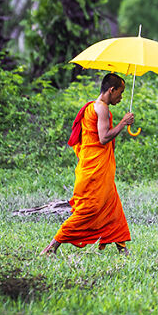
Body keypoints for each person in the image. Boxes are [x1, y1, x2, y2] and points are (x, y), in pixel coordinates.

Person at [40, 73, 135, 255]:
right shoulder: (101, 108)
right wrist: (123, 122)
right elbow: (103, 138)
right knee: (88, 210)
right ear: (111, 90)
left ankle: (123, 249)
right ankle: (52, 247)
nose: (121, 98)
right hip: (94, 170)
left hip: (95, 167)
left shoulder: (93, 106)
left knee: (111, 205)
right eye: (120, 93)